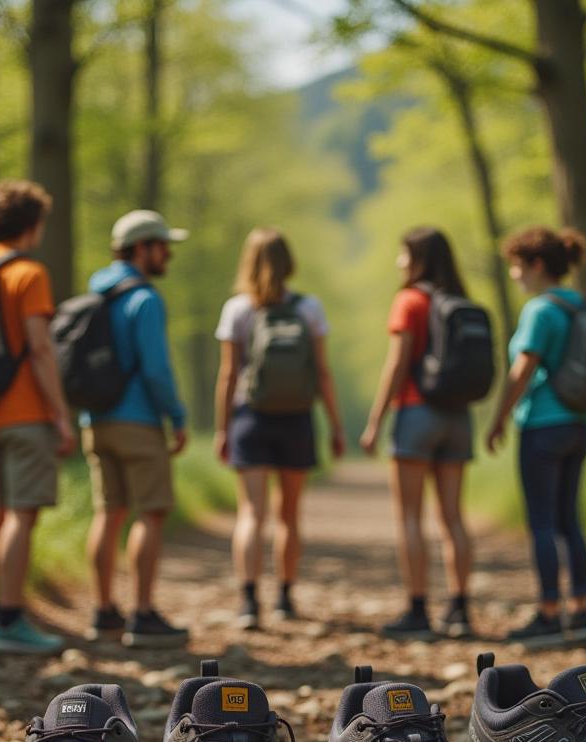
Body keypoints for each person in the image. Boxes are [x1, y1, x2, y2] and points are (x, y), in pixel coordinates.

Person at [213, 228, 345, 629]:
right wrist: (335, 426)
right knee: (289, 514)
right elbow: (322, 373)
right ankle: (285, 598)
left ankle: (248, 602)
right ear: (289, 263)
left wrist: (223, 429)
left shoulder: (237, 309)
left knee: (251, 513)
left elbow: (228, 375)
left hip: (250, 417)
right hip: (297, 418)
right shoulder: (310, 308)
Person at [0, 180, 75, 654]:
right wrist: (60, 413)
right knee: (22, 516)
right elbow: (40, 348)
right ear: (32, 225)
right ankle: (9, 619)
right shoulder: (28, 273)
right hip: (25, 412)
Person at [360, 227, 476, 640]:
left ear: (418, 259)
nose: (399, 263)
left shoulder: (409, 300)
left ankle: (418, 609)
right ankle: (460, 608)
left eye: (403, 255)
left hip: (415, 414)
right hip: (458, 418)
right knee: (453, 517)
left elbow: (396, 364)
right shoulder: (460, 301)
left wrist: (375, 421)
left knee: (410, 516)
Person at [82, 210, 190, 648]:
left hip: (96, 418)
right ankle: (143, 614)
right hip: (138, 420)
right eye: (163, 246)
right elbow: (156, 369)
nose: (168, 255)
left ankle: (104, 612)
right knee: (151, 512)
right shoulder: (145, 299)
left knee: (109, 512)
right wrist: (177, 416)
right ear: (142, 248)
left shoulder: (97, 290)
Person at [485, 226, 586, 647]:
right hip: (579, 424)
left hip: (543, 425)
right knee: (570, 519)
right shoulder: (581, 305)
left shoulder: (539, 310)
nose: (514, 275)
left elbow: (523, 368)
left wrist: (498, 417)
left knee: (543, 522)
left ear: (536, 265)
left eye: (516, 266)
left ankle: (549, 613)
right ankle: (581, 612)